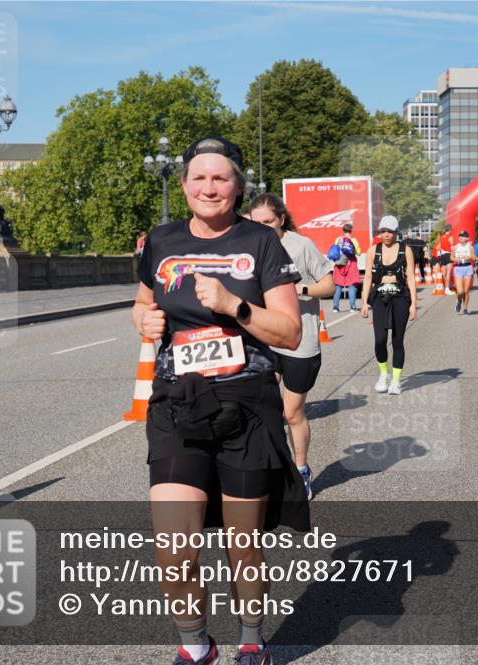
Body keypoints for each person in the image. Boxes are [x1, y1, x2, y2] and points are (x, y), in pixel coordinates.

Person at [132, 136, 308, 665]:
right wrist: (142, 319)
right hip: (177, 404)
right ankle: (195, 645)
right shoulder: (160, 242)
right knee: (174, 546)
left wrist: (236, 305)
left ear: (237, 187)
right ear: (184, 185)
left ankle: (251, 637)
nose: (209, 187)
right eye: (199, 177)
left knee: (243, 545)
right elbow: (143, 301)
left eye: (221, 178)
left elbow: (291, 333)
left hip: (247, 407)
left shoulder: (261, 242)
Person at [249, 193, 334, 500]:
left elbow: (329, 284)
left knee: (291, 411)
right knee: (265, 410)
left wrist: (299, 288)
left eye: (268, 221)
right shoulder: (250, 247)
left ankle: (301, 470)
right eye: (256, 223)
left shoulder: (301, 245)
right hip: (265, 341)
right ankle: (272, 472)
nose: (262, 228)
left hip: (300, 342)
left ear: (281, 219)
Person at [361, 216, 418, 395]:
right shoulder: (373, 251)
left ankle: (395, 380)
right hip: (379, 296)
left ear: (396, 232)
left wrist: (414, 303)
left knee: (397, 339)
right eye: (383, 231)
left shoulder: (405, 250)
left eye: (390, 231)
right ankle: (383, 374)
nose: (386, 235)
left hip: (400, 296)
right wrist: (364, 302)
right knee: (379, 339)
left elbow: (410, 277)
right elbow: (368, 278)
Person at [331, 222, 361, 312]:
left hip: (339, 265)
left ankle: (335, 307)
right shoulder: (353, 240)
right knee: (351, 286)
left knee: (338, 286)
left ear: (343, 230)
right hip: (351, 264)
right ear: (351, 230)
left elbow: (335, 251)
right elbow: (359, 252)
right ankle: (352, 307)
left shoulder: (338, 239)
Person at [452, 229, 477, 313]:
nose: (461, 238)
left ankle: (465, 308)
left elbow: (474, 258)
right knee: (460, 291)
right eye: (460, 236)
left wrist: (469, 257)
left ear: (467, 238)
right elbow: (451, 257)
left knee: (466, 291)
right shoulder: (455, 247)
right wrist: (456, 259)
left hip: (467, 268)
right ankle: (459, 302)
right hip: (458, 268)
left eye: (463, 236)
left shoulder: (470, 247)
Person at [437, 227, 454, 293]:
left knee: (444, 273)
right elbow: (452, 247)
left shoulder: (440, 237)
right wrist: (453, 256)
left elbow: (438, 247)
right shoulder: (450, 237)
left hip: (442, 255)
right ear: (449, 231)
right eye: (450, 231)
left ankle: (446, 287)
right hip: (448, 255)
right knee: (447, 272)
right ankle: (447, 288)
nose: (450, 232)